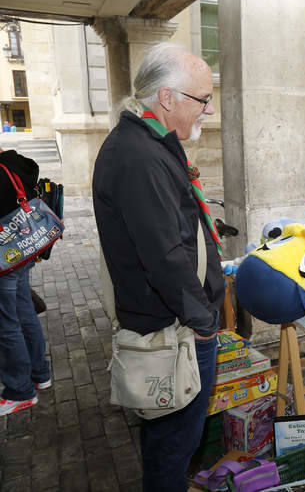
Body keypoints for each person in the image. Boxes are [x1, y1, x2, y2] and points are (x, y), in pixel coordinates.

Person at [93, 42, 224, 491]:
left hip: (174, 324)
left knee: (168, 442)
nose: (208, 110)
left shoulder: (145, 142)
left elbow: (170, 230)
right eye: (202, 99)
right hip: (174, 330)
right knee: (174, 448)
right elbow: (165, 256)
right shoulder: (140, 155)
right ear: (167, 99)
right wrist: (204, 323)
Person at [0, 148, 52, 416]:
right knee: (24, 313)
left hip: (4, 261)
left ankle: (20, 391)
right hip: (24, 250)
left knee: (6, 325)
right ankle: (39, 374)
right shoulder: (16, 164)